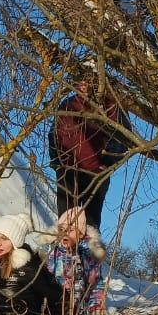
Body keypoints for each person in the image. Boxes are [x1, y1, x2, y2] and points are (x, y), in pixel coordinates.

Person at [48, 79, 130, 228]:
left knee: (90, 224)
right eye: (80, 81)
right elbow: (53, 134)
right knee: (65, 222)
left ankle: (88, 251)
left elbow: (124, 139)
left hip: (95, 172)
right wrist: (57, 163)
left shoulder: (110, 106)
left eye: (88, 82)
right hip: (68, 171)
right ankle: (64, 251)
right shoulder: (67, 105)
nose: (83, 86)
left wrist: (107, 163)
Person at [40, 206, 106, 315]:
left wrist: (95, 308)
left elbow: (95, 285)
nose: (64, 233)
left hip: (77, 309)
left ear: (81, 234)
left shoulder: (86, 255)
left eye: (70, 230)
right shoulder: (51, 251)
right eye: (61, 229)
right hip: (53, 306)